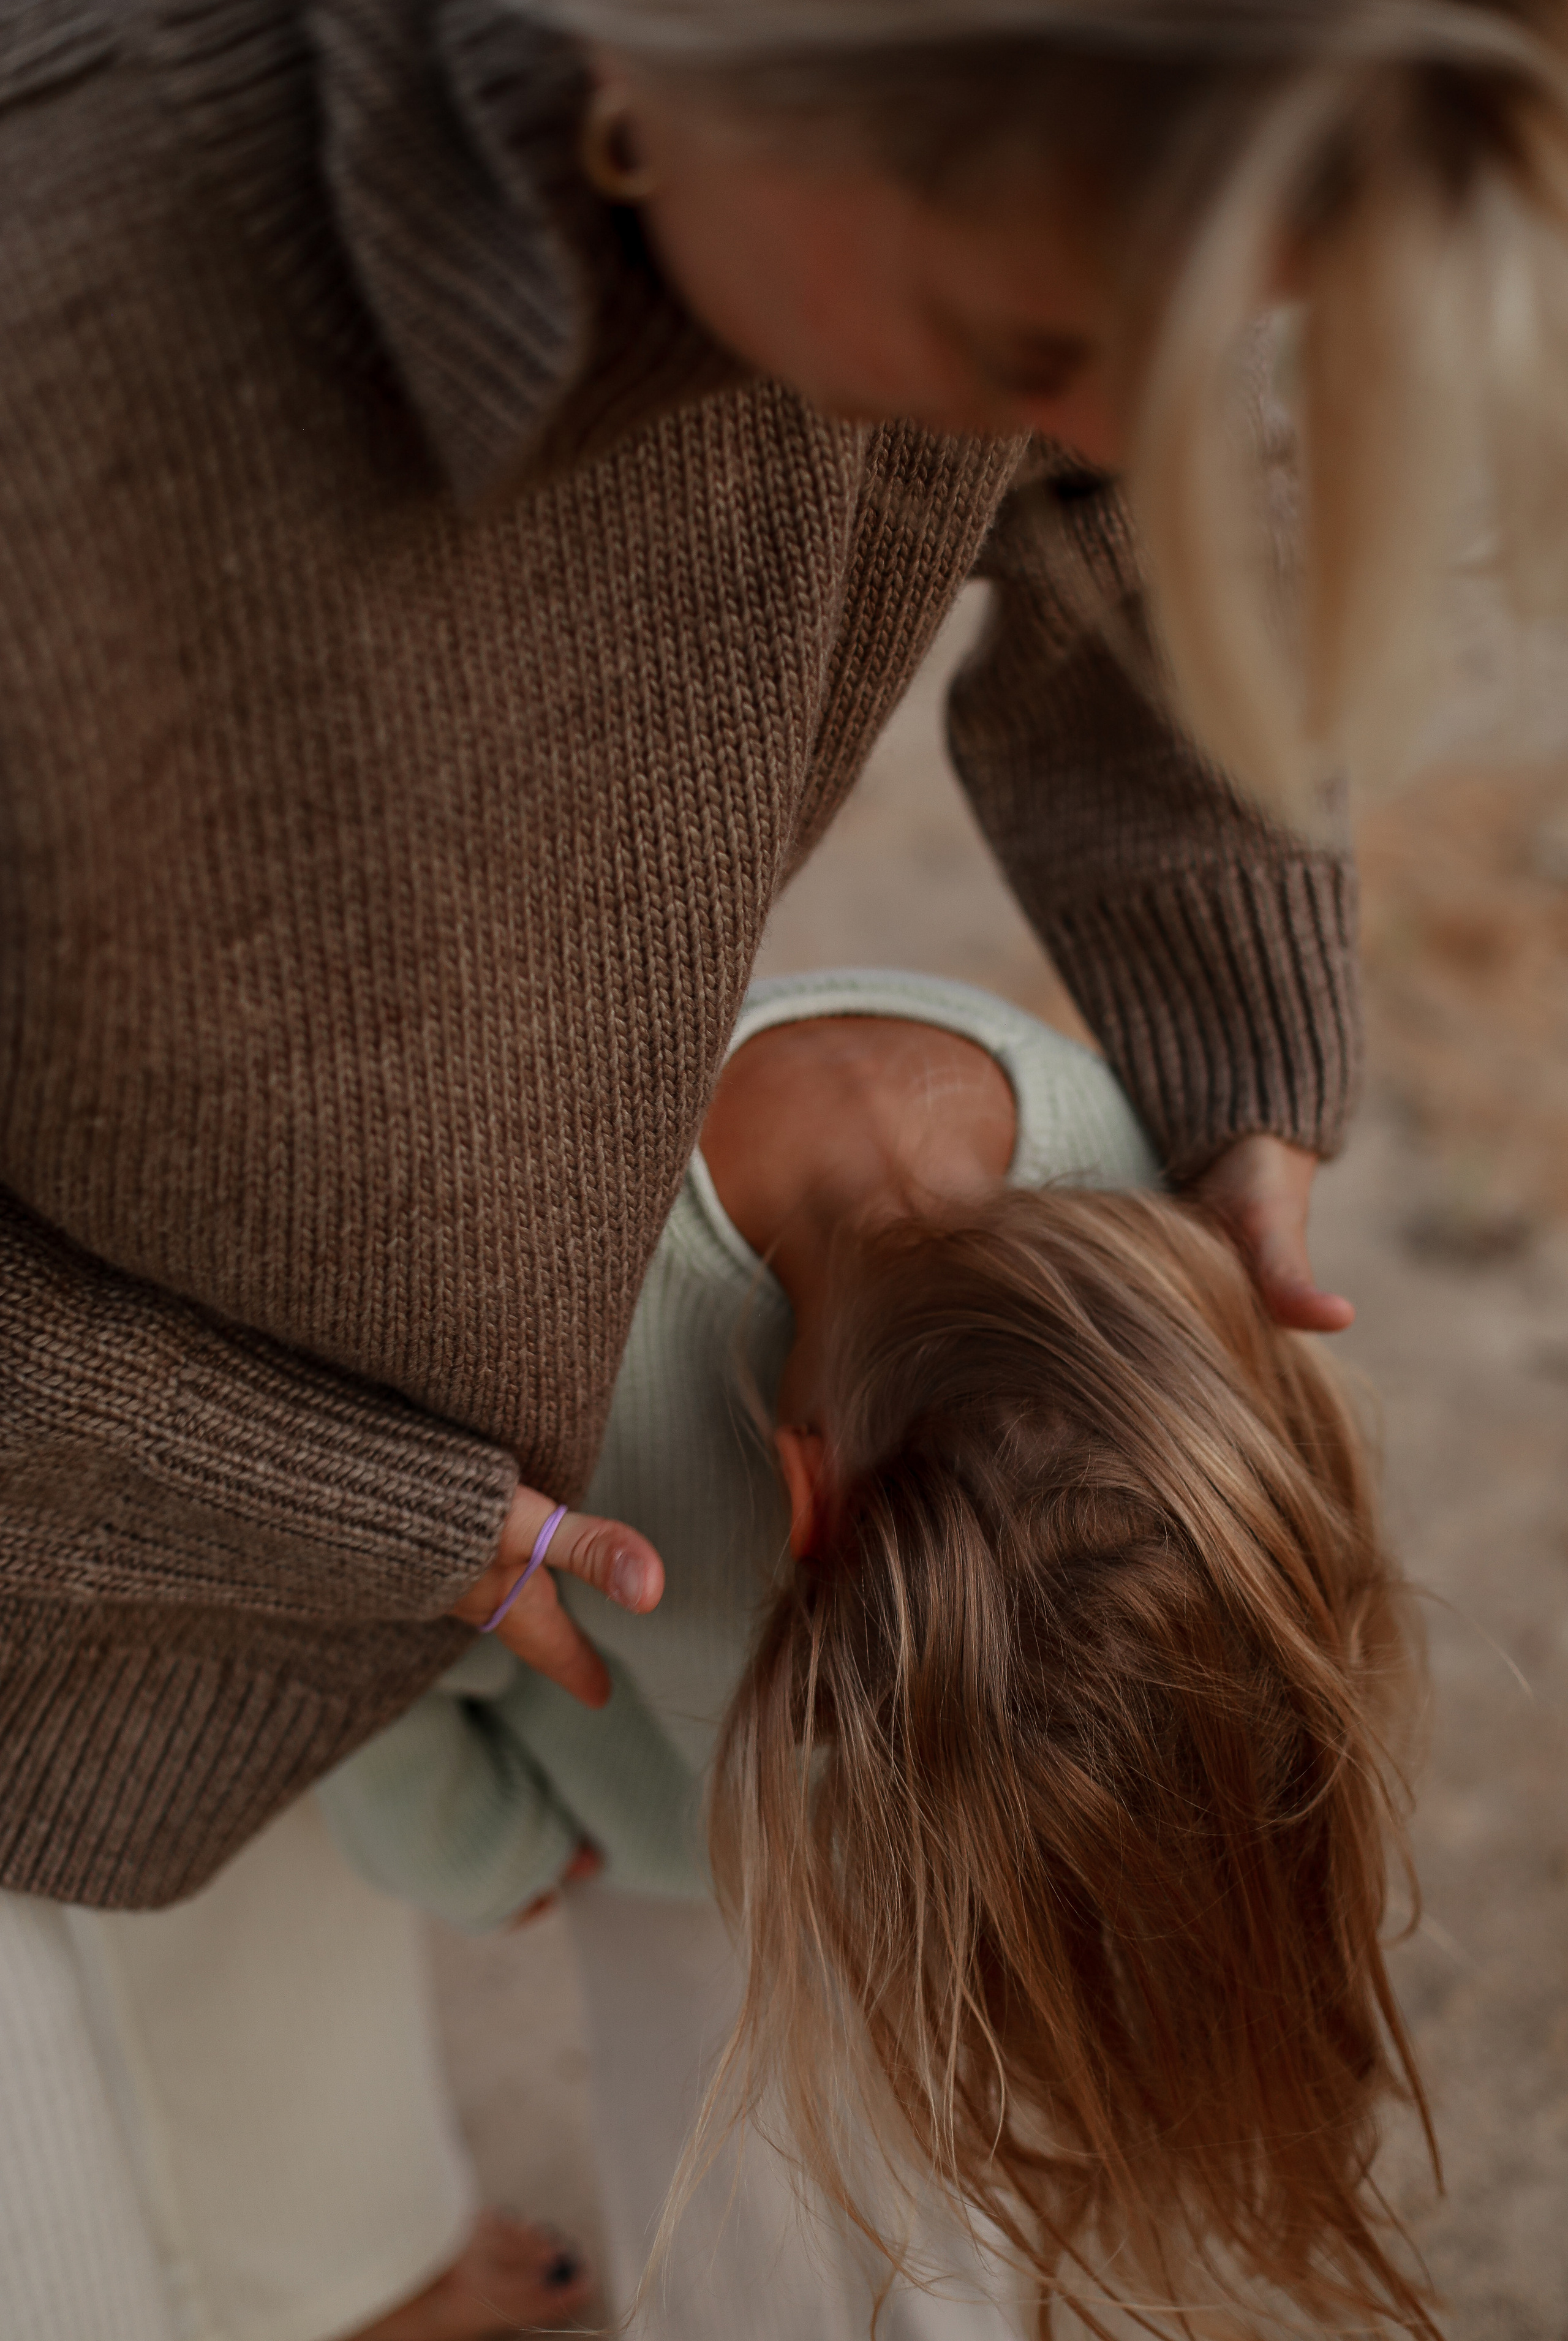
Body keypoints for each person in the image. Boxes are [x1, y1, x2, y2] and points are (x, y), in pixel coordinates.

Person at [2, 0, 1559, 2331]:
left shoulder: (931, 216)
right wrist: (319, 1512)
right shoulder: (65, 312)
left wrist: (1239, 1042)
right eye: (1035, 322)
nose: (1126, 427)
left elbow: (1151, 533)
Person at [314, 967, 1426, 2339]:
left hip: (968, 1812)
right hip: (674, 1869)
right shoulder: (536, 1300)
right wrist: (475, 1842)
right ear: (806, 1504)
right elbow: (359, 1620)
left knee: (958, 2164)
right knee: (736, 2205)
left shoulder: (1109, 1177)